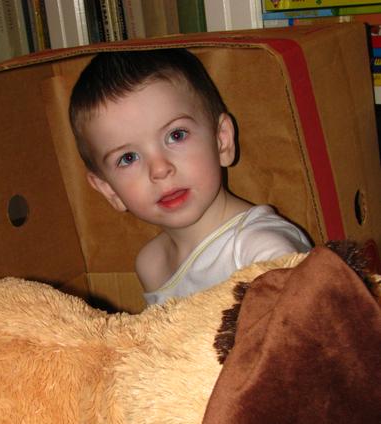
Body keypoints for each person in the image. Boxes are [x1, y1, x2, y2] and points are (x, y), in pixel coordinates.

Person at [69, 49, 311, 305]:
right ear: (109, 190)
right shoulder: (152, 263)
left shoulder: (262, 250)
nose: (159, 169)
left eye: (176, 135)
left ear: (221, 141)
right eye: (128, 158)